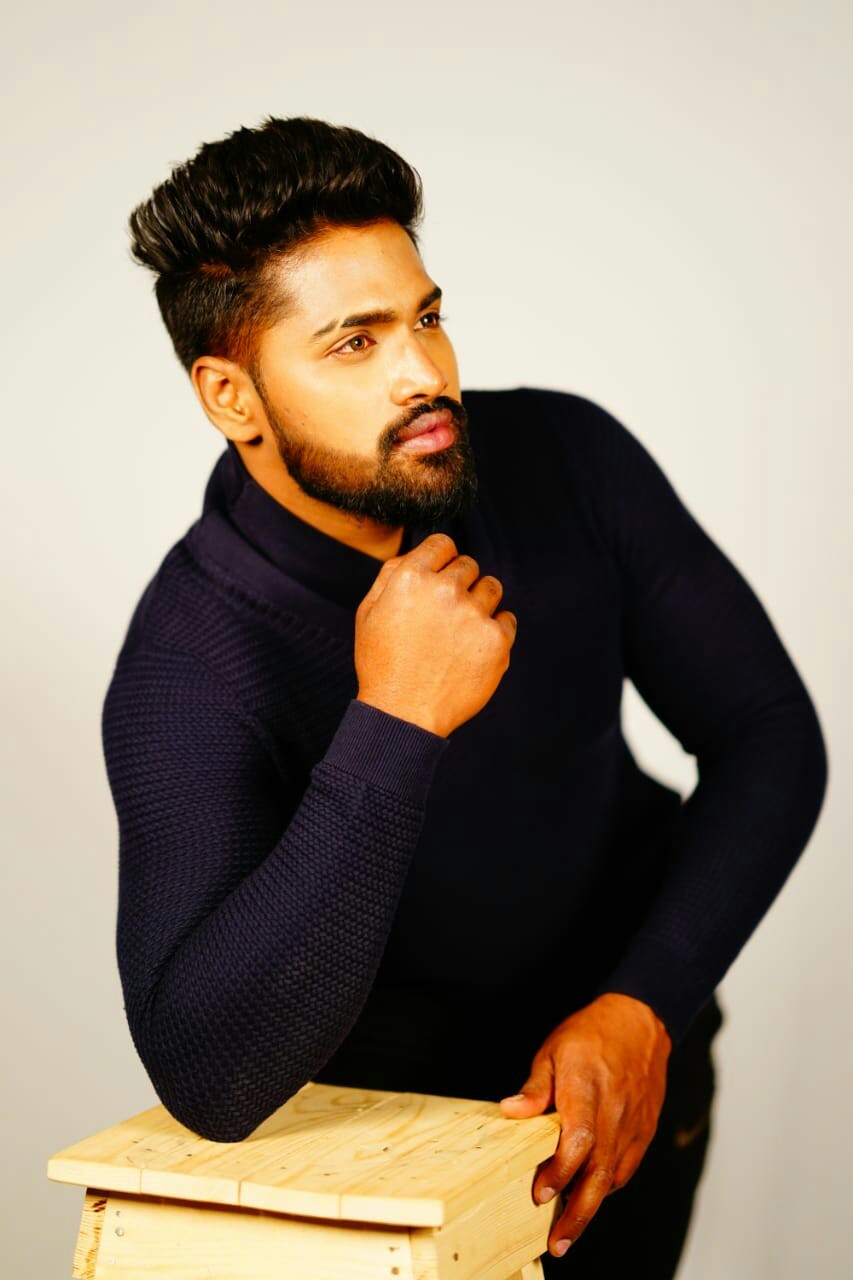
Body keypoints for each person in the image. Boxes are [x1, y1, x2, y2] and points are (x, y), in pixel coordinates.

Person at [101, 115, 828, 1275]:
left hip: (622, 1085)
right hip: (385, 1167)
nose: (426, 372)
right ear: (232, 397)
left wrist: (647, 1000)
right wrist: (394, 720)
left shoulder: (566, 456)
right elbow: (211, 1074)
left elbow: (767, 733)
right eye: (354, 342)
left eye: (426, 317)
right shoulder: (191, 658)